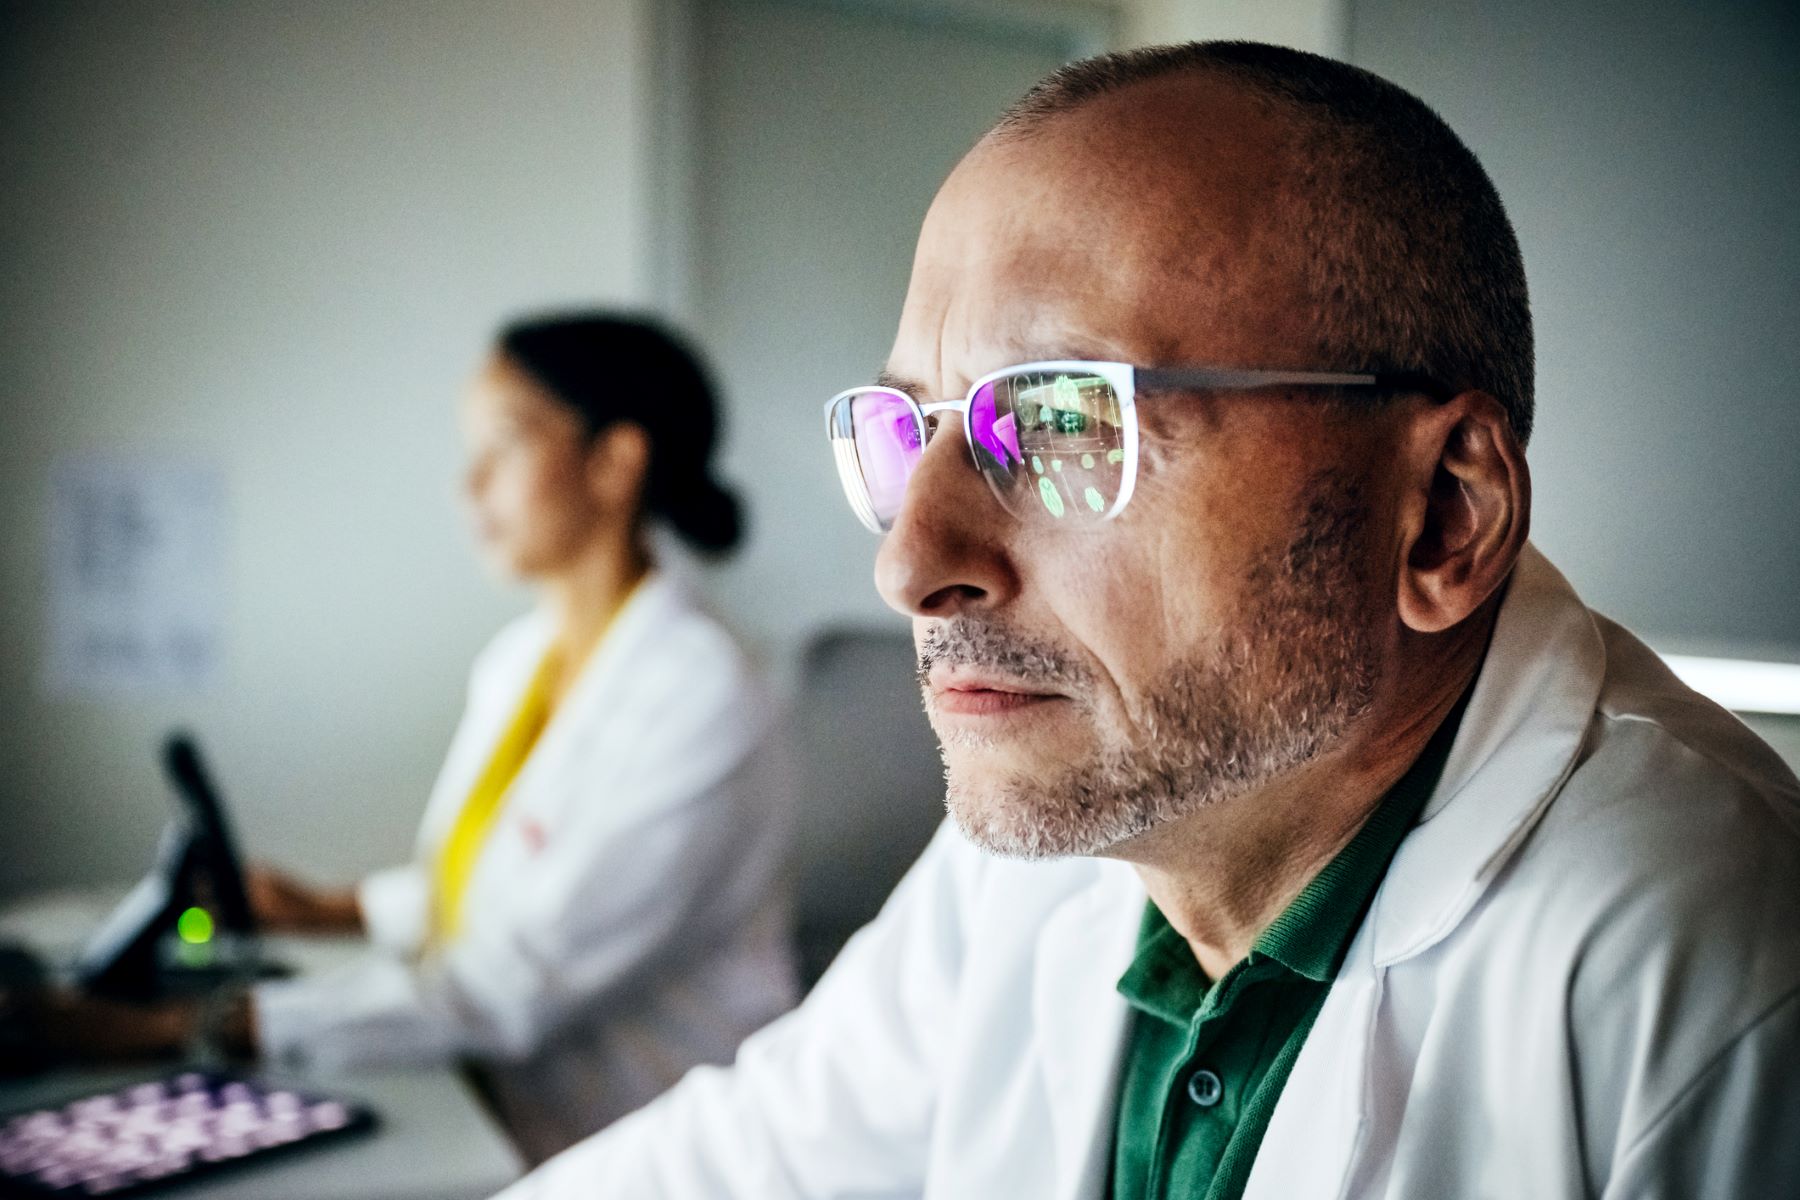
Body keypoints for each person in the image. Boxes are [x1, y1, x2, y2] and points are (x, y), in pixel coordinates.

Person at [495, 42, 1800, 1200]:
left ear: (1443, 514)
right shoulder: (1052, 834)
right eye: (911, 431)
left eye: (1062, 421)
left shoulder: (1717, 989)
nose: (910, 565)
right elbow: (753, 1155)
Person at [33, 314, 800, 1165]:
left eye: (502, 446)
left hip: (635, 1146)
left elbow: (512, 985)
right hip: (502, 1108)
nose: (468, 485)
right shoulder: (521, 664)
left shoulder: (702, 692)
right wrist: (328, 909)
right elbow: (500, 888)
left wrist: (180, 1027)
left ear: (615, 463)